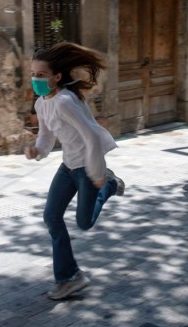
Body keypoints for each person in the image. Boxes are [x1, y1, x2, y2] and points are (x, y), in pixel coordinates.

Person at [24, 42, 125, 300]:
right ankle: (70, 278)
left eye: (41, 75)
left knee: (84, 222)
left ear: (57, 77)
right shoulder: (42, 103)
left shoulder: (66, 101)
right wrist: (37, 150)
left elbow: (91, 136)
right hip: (68, 166)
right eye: (33, 74)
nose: (35, 79)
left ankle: (111, 185)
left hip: (87, 167)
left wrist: (97, 175)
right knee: (52, 217)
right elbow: (46, 136)